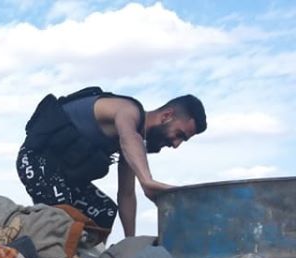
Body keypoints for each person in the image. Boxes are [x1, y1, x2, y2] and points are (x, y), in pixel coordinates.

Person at [17, 88, 207, 238]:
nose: (176, 144)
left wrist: (130, 242)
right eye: (179, 134)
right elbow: (129, 136)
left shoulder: (131, 146)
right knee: (65, 217)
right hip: (35, 161)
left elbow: (126, 194)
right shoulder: (127, 111)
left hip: (64, 175)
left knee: (104, 211)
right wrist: (147, 180)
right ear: (166, 116)